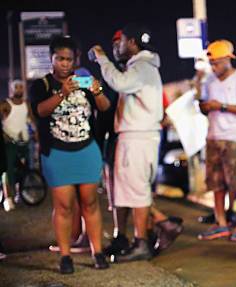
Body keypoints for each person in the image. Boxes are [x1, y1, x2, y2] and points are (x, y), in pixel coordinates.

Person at [29, 35, 111, 273]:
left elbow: (104, 108)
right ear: (52, 59)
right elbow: (40, 111)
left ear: (75, 60)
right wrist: (62, 93)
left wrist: (97, 91)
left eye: (68, 59)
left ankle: (97, 251)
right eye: (60, 59)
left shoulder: (83, 81)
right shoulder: (42, 85)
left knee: (90, 202)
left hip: (86, 150)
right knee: (64, 206)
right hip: (57, 153)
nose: (64, 63)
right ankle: (65, 255)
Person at [91, 24, 164, 262]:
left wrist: (102, 59)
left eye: (121, 41)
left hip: (137, 136)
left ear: (132, 42)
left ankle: (141, 242)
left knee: (137, 191)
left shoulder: (141, 67)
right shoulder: (144, 66)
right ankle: (139, 239)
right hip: (141, 136)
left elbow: (119, 82)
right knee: (134, 190)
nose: (118, 46)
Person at [197, 40, 236, 242]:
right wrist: (205, 105)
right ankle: (221, 223)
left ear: (227, 60)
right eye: (211, 63)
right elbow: (204, 106)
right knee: (216, 183)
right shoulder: (209, 81)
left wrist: (221, 106)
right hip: (214, 137)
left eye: (216, 63)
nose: (213, 67)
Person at [1, 80, 37, 212]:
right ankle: (8, 198)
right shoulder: (5, 104)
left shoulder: (26, 104)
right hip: (9, 143)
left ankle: (20, 194)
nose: (19, 89)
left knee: (24, 170)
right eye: (16, 87)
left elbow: (31, 120)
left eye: (21, 87)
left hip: (24, 142)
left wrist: (36, 133)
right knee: (8, 171)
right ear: (11, 89)